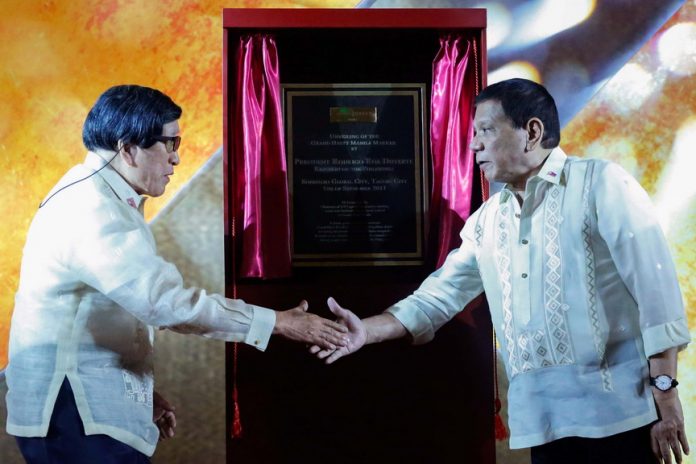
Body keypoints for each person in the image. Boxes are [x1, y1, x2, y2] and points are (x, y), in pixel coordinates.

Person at [311, 78, 690, 464]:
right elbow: (436, 298)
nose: (474, 145)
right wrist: (366, 331)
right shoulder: (488, 220)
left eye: (485, 131)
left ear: (532, 132)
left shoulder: (601, 184)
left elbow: (656, 293)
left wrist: (666, 395)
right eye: (473, 133)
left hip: (623, 419)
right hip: (545, 427)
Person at [5, 84, 348, 463]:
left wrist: (134, 394)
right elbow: (163, 303)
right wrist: (278, 323)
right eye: (169, 144)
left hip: (80, 412)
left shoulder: (98, 196)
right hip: (73, 415)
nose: (176, 160)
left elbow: (100, 315)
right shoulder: (92, 208)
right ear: (129, 148)